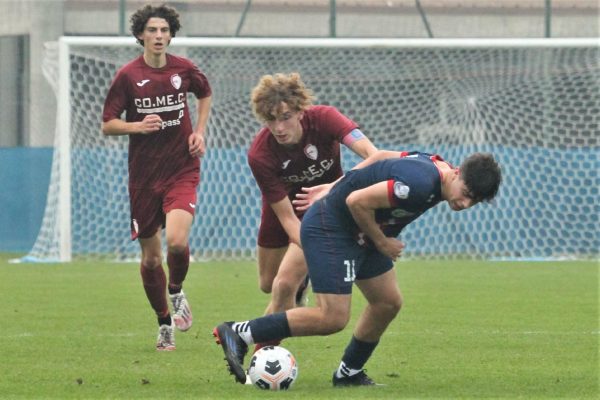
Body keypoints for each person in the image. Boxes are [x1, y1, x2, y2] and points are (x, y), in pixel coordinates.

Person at [214, 150, 502, 385]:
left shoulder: (438, 168)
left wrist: (336, 184)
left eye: (473, 200)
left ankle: (349, 373)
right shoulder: (419, 183)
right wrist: (382, 242)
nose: (465, 203)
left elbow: (382, 156)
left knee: (387, 302)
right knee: (333, 317)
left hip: (362, 234)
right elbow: (356, 201)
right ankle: (239, 332)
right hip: (332, 228)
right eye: (465, 192)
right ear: (458, 173)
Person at [101, 4, 212, 351]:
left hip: (181, 167)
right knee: (151, 259)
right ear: (140, 36)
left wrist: (200, 131)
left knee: (177, 242)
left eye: (164, 30)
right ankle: (164, 321)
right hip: (144, 176)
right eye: (152, 31)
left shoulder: (184, 69)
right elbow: (107, 124)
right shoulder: (127, 76)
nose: (159, 36)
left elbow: (204, 93)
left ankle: (176, 290)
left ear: (171, 34)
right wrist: (137, 125)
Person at [246, 72, 378, 349]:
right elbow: (285, 216)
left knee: (284, 286)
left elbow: (372, 155)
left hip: (325, 209)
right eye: (271, 120)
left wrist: (337, 187)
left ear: (300, 111)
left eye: (285, 117)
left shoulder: (325, 118)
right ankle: (301, 281)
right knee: (268, 284)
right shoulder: (260, 154)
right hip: (283, 209)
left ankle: (261, 354)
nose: (278, 127)